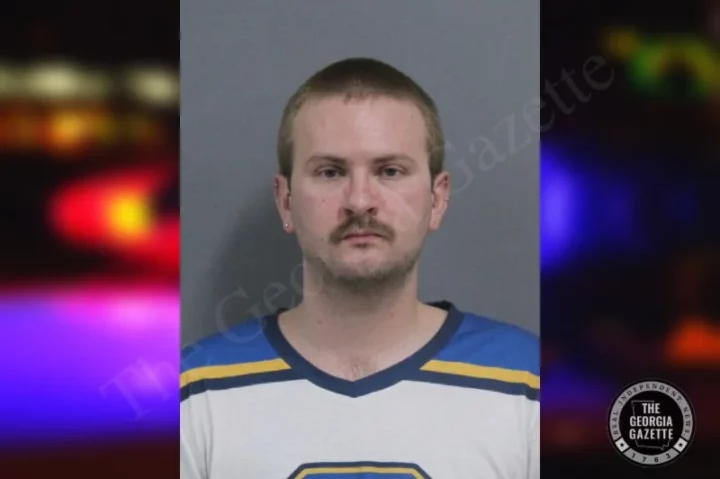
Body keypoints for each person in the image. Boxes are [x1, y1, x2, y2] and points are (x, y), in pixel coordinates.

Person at [180, 57, 539, 479]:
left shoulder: (528, 386)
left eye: (390, 171)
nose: (360, 200)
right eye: (330, 172)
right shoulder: (196, 395)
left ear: (437, 198)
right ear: (286, 201)